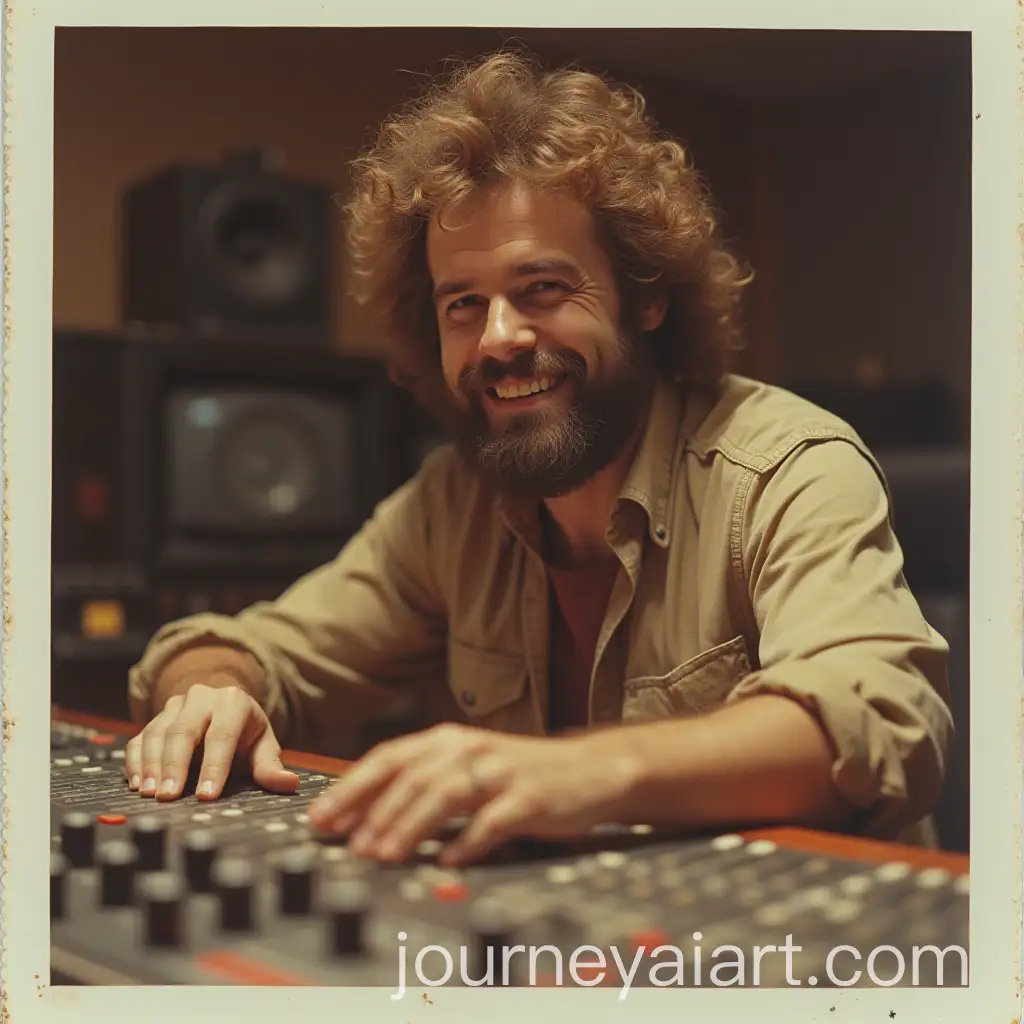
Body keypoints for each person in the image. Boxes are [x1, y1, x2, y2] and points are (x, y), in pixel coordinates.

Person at [124, 51, 953, 867]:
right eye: (463, 305)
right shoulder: (451, 502)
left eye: (544, 289)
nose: (498, 339)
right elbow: (254, 648)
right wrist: (214, 690)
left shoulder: (789, 466)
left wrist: (578, 772)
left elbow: (876, 718)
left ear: (648, 294)